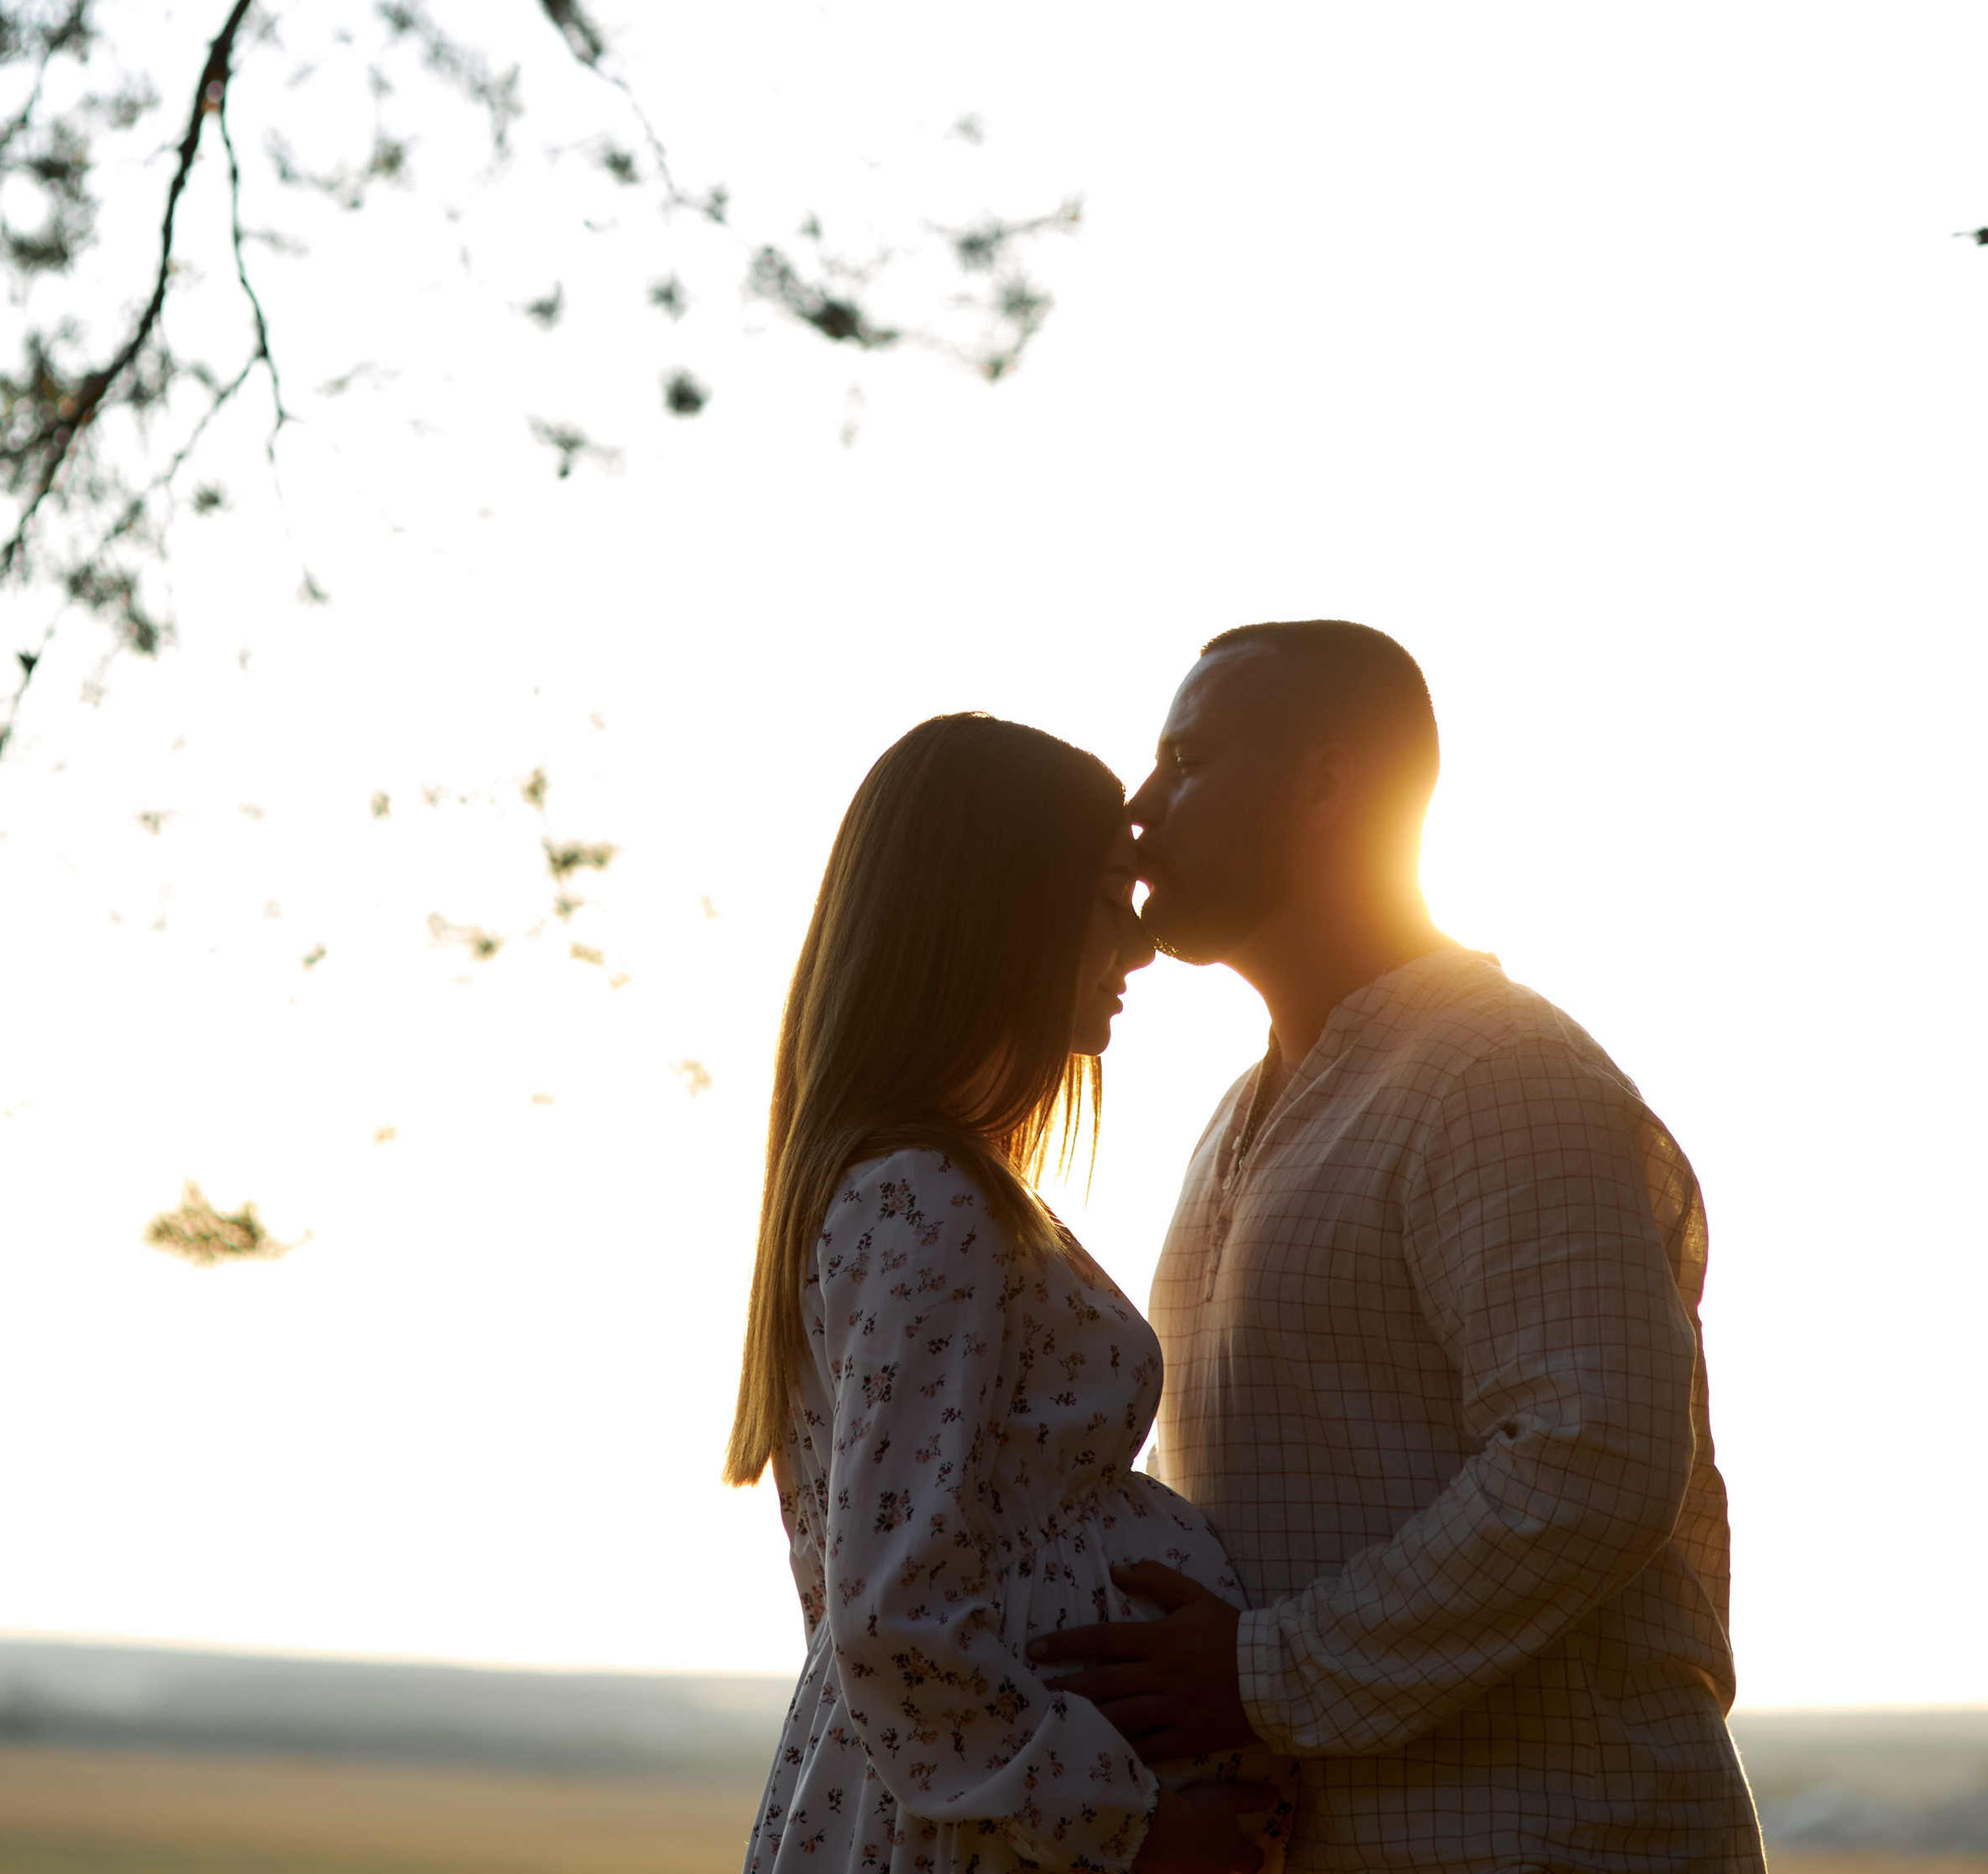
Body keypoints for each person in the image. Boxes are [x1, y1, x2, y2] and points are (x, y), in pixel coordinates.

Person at [1029, 621, 1765, 1874]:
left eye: (1188, 761)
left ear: (1326, 782)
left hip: (1558, 1840)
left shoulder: (1502, 1072)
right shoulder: (1240, 1115)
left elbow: (1597, 1454)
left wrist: (1265, 1673)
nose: (1140, 809)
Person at [729, 711, 1294, 1874]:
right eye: (1103, 897)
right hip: (990, 1842)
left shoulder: (917, 1194)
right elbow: (893, 1618)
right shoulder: (927, 1204)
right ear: (995, 918)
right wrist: (1135, 1830)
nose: (1136, 948)